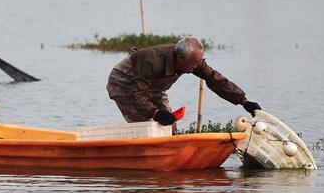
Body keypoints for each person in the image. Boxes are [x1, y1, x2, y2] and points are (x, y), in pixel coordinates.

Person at [106, 37, 261, 126]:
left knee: (170, 124)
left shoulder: (193, 61)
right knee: (146, 124)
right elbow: (136, 93)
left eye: (199, 62)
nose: (196, 66)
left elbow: (215, 79)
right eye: (194, 62)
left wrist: (243, 101)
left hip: (153, 87)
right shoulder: (151, 61)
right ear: (180, 58)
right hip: (124, 84)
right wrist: (155, 112)